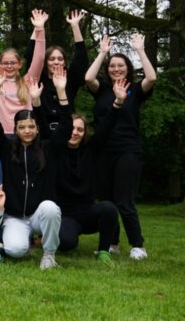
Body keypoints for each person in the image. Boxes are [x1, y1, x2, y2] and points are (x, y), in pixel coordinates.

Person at [0, 64, 70, 269]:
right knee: (15, 250)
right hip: (15, 216)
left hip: (38, 215)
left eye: (31, 126)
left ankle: (49, 254)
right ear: (15, 128)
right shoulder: (6, 149)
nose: (27, 130)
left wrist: (61, 91)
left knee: (51, 209)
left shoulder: (48, 149)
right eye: (22, 127)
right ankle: (18, 240)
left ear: (37, 128)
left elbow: (66, 128)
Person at [84, 34, 157, 260]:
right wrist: (103, 52)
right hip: (103, 152)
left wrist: (140, 50)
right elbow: (88, 77)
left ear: (127, 69)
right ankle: (112, 243)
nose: (116, 69)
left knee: (124, 200)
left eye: (121, 66)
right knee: (107, 201)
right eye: (113, 66)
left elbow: (152, 78)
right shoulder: (103, 91)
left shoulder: (135, 90)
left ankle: (137, 245)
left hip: (128, 151)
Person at [56, 81, 126, 261]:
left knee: (109, 208)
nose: (75, 132)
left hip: (88, 213)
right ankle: (69, 235)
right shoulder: (54, 151)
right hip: (66, 215)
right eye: (72, 128)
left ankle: (103, 251)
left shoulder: (91, 150)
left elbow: (106, 128)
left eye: (80, 129)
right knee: (66, 244)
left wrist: (117, 103)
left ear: (84, 133)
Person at [0, 9, 48, 185]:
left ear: (19, 64)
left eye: (13, 62)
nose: (9, 66)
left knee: (27, 179)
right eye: (5, 63)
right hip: (3, 138)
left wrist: (40, 29)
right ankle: (3, 212)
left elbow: (40, 58)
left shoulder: (28, 81)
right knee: (3, 181)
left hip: (26, 137)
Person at [26, 10, 88, 133]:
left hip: (66, 131)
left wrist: (75, 26)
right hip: (41, 131)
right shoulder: (38, 78)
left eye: (60, 59)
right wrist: (38, 28)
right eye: (51, 59)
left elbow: (81, 59)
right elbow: (31, 56)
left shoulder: (70, 79)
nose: (56, 62)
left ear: (64, 62)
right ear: (45, 62)